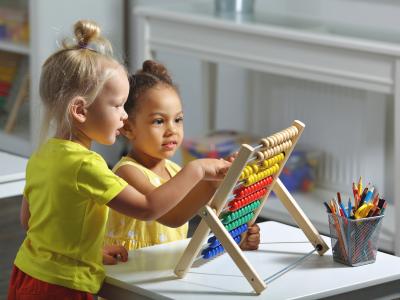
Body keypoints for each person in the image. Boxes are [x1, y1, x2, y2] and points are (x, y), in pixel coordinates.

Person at [7, 20, 231, 300]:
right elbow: (149, 208)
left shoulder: (42, 155)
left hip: (27, 273)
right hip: (63, 287)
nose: (124, 116)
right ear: (80, 110)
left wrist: (90, 250)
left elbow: (30, 221)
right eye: (117, 106)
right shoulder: (86, 165)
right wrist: (197, 169)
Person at [104, 60, 260, 252]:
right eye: (159, 121)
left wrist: (237, 236)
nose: (172, 130)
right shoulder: (127, 173)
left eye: (178, 120)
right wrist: (200, 172)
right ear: (128, 128)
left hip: (166, 266)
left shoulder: (175, 171)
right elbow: (174, 216)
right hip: (130, 269)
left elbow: (211, 216)